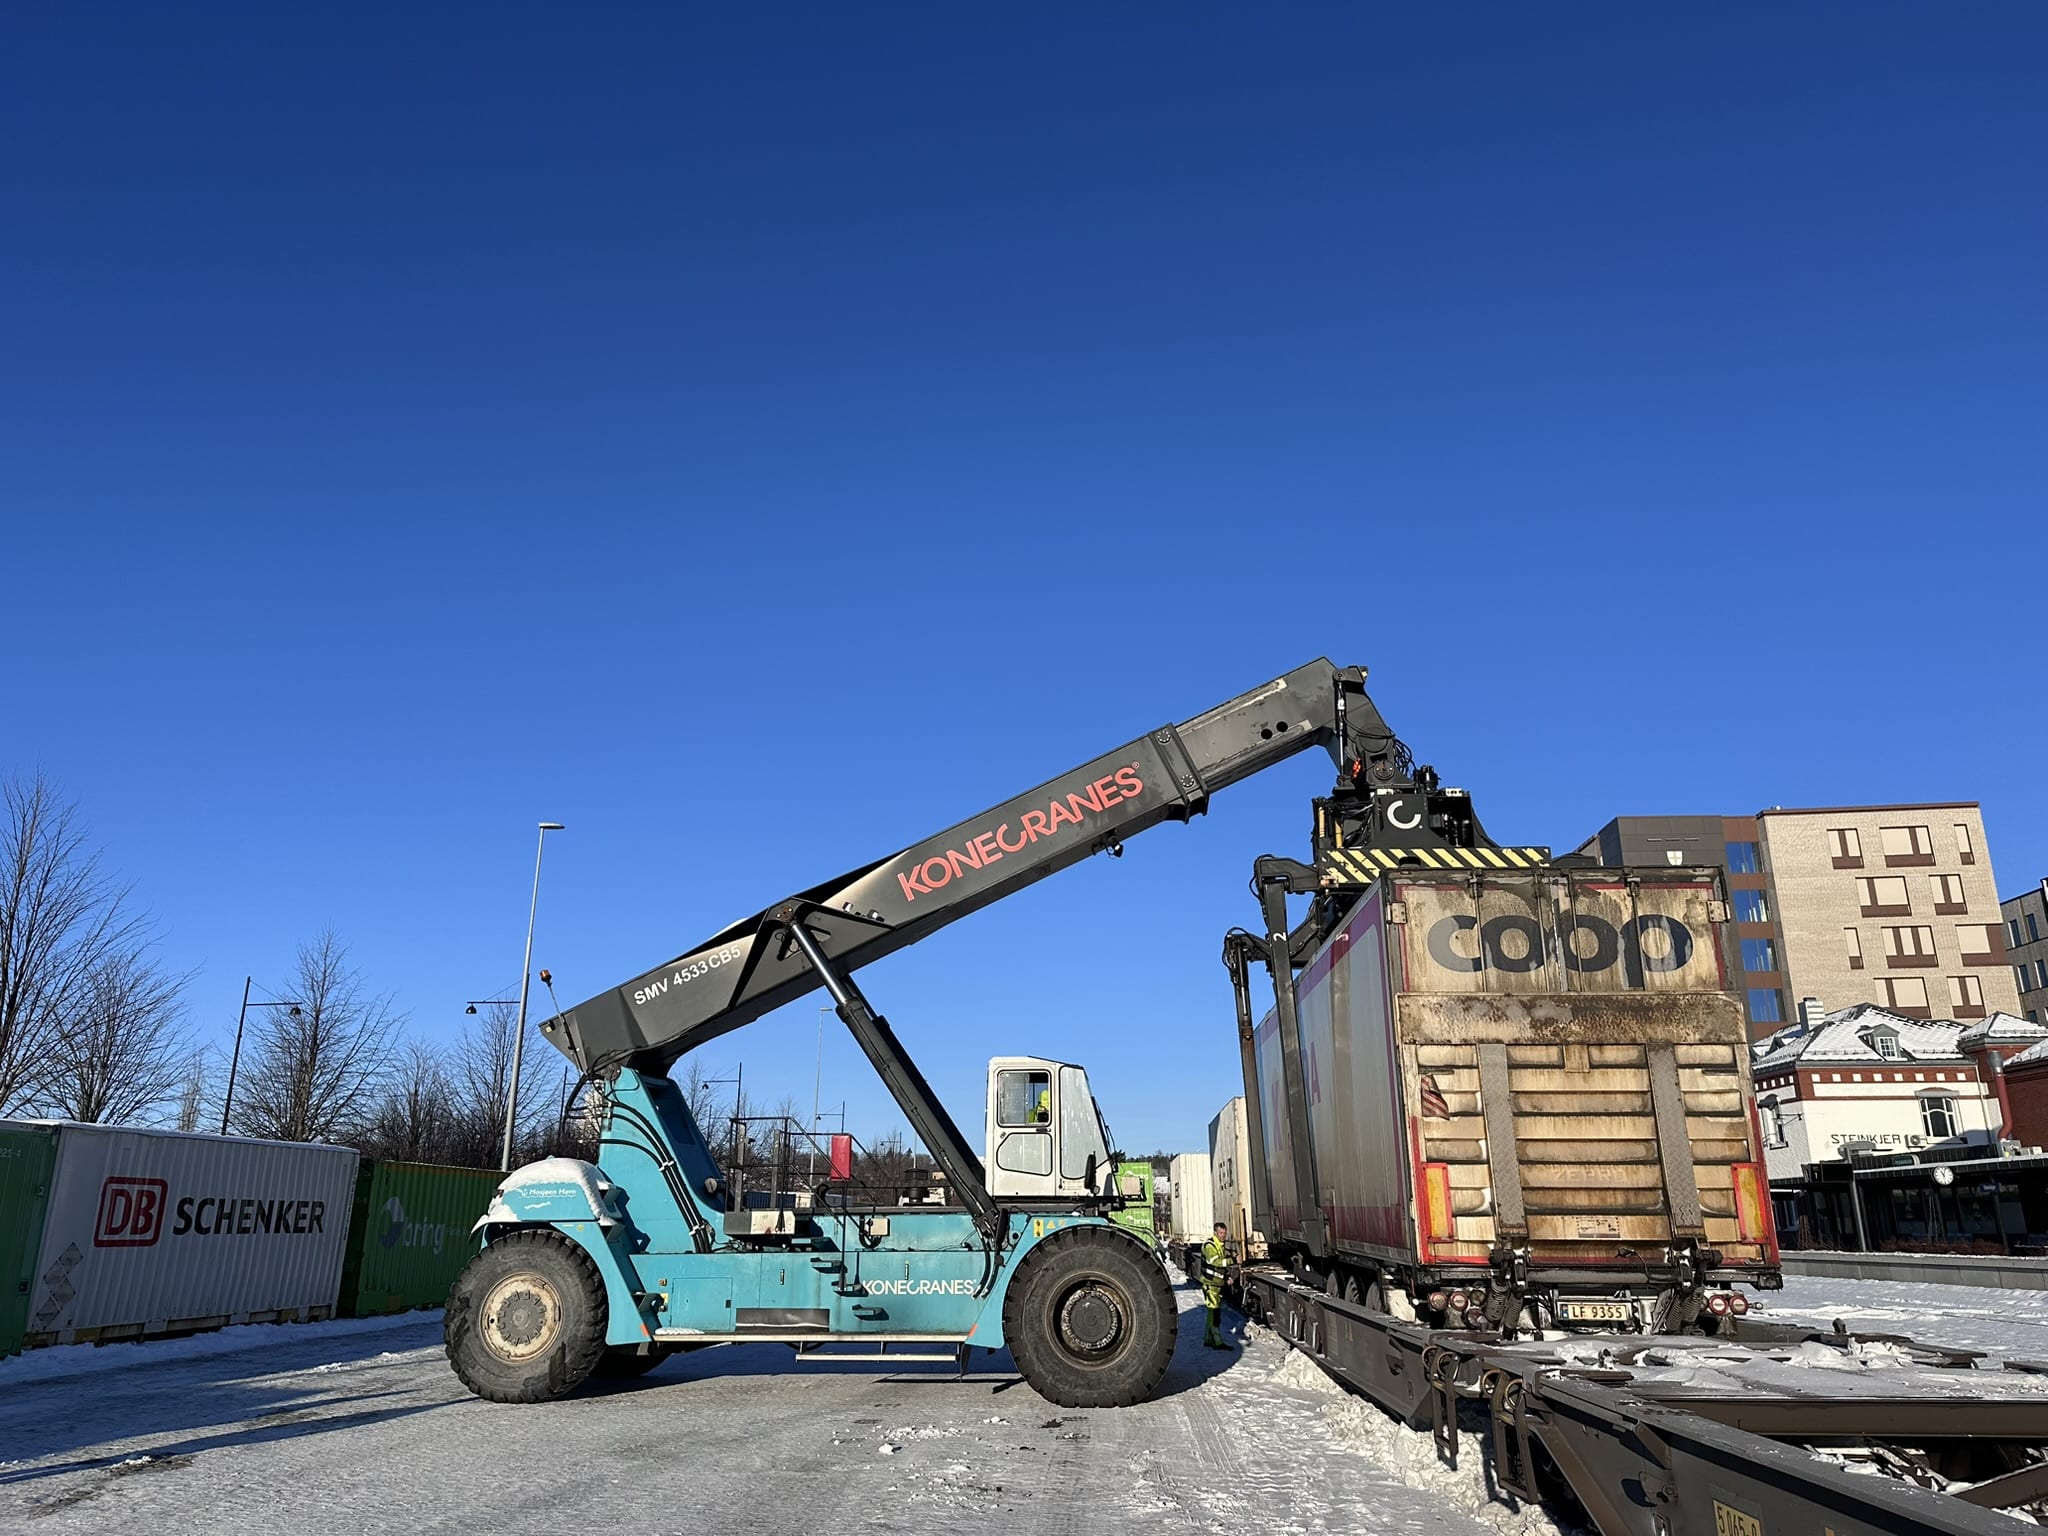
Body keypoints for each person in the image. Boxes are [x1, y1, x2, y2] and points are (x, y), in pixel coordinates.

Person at [1200, 1222, 1233, 1350]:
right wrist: (1233, 1260)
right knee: (1215, 1313)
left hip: (1216, 1284)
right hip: (1210, 1284)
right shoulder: (1209, 1246)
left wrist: (1226, 1277)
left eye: (1224, 1233)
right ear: (1215, 1232)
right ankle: (1217, 1342)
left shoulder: (1220, 1246)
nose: (1223, 1236)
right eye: (1220, 1233)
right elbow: (1216, 1262)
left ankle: (1208, 1339)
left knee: (1211, 1313)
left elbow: (1219, 1269)